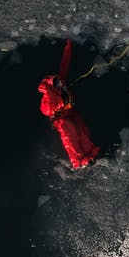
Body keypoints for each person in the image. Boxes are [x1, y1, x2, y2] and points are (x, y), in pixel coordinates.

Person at [39, 39, 100, 168]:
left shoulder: (59, 85)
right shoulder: (60, 118)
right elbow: (69, 142)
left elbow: (64, 64)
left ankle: (92, 153)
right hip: (63, 120)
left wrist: (69, 45)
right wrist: (81, 162)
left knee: (81, 131)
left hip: (68, 115)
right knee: (73, 134)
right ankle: (83, 160)